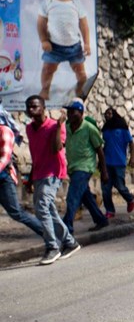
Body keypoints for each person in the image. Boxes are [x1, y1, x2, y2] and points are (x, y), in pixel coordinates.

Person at [24, 95, 81, 264]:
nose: (31, 110)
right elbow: (36, 154)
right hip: (39, 173)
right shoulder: (29, 128)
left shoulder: (56, 126)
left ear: (43, 108)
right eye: (28, 107)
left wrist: (58, 126)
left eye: (34, 106)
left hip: (54, 172)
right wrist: (31, 178)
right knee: (49, 210)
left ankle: (52, 247)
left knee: (41, 207)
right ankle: (70, 243)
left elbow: (57, 148)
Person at [37, 0, 91, 100]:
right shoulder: (48, 3)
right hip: (54, 46)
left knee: (81, 73)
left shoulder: (76, 3)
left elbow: (84, 25)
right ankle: (45, 89)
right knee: (48, 69)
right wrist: (44, 40)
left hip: (74, 47)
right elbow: (41, 23)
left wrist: (86, 43)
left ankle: (79, 89)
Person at [62, 98, 109, 233]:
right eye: (69, 112)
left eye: (73, 112)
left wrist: (104, 171)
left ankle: (67, 227)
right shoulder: (67, 127)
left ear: (81, 113)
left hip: (85, 166)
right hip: (73, 166)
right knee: (85, 196)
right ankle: (100, 219)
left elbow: (99, 149)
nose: (70, 115)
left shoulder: (89, 128)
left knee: (72, 196)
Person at [1, 114, 45, 245]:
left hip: (4, 180)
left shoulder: (5, 131)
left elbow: (4, 158)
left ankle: (48, 234)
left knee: (16, 213)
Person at [100, 107, 134, 217]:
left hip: (119, 162)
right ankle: (110, 210)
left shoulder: (122, 128)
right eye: (106, 114)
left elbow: (131, 143)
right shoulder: (105, 129)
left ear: (114, 114)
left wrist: (132, 158)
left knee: (120, 186)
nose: (107, 116)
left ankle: (130, 199)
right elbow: (104, 145)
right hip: (107, 163)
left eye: (110, 114)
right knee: (105, 189)